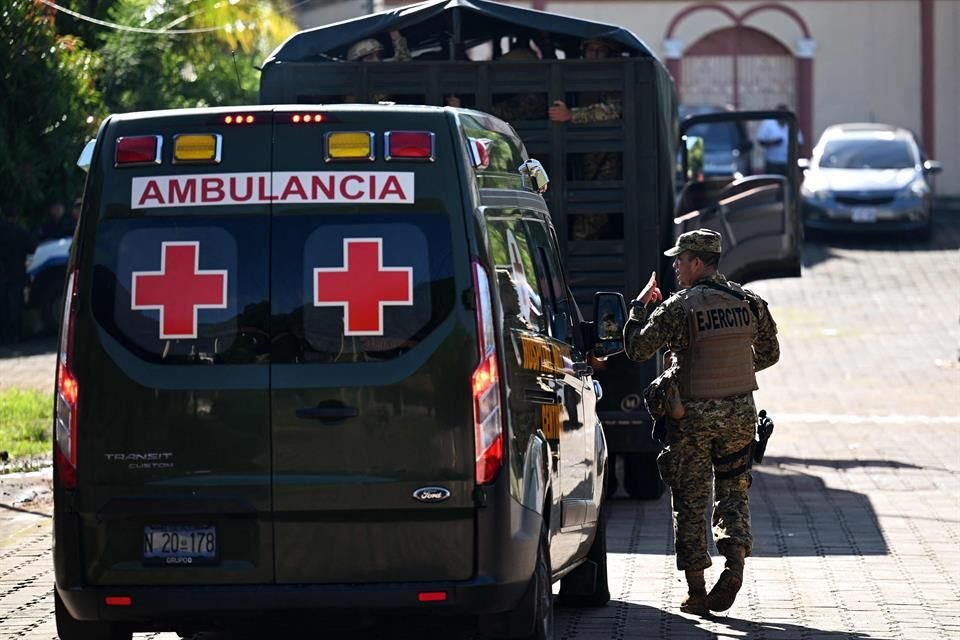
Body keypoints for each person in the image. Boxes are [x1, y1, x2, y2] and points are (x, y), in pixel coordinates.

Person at [623, 229, 780, 615]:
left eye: (680, 260)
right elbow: (770, 353)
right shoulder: (748, 301)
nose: (675, 267)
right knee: (733, 492)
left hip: (691, 418)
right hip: (739, 415)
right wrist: (737, 369)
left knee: (691, 502)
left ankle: (696, 593)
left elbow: (637, 349)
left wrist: (638, 309)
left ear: (697, 262)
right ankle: (735, 565)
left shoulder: (679, 306)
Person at [548, 37, 622, 183]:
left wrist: (571, 115)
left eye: (600, 50)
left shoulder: (615, 77)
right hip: (578, 147)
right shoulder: (576, 75)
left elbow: (613, 110)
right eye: (590, 50)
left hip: (605, 151)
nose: (594, 54)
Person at [0, 205, 37, 344]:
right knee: (16, 306)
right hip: (17, 274)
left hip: (3, 275)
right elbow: (32, 247)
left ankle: (5, 336)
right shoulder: (20, 231)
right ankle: (16, 335)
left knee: (4, 306)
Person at [756, 104, 803, 175]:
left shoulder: (792, 123)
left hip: (789, 163)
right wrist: (773, 142)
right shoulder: (768, 123)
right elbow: (760, 141)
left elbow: (800, 142)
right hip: (772, 162)